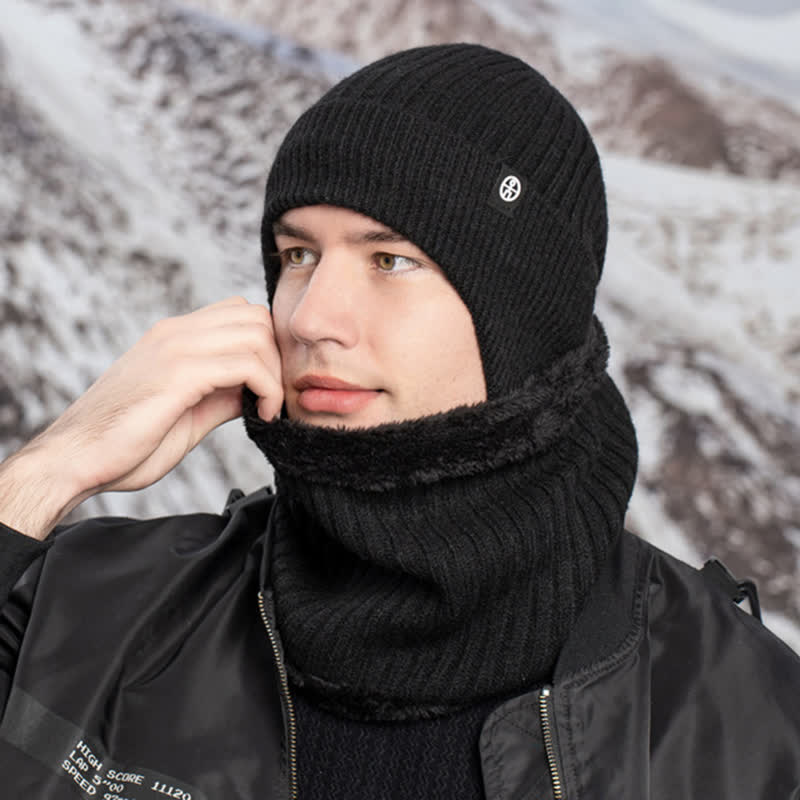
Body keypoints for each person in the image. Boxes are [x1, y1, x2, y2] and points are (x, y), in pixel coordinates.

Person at [0, 42, 799, 800]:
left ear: (519, 316)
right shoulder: (86, 612)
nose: (312, 317)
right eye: (297, 255)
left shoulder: (747, 718)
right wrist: (51, 470)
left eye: (390, 260)